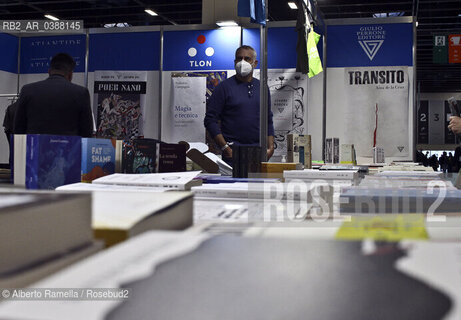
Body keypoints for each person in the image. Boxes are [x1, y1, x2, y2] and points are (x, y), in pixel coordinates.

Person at [204, 45, 275, 165]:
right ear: (234, 62)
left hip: (258, 152)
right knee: (233, 184)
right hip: (233, 153)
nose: (242, 62)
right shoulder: (223, 87)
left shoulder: (262, 87)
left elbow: (268, 119)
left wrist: (271, 147)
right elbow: (210, 120)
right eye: (239, 58)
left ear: (255, 63)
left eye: (247, 59)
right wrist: (225, 148)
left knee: (257, 183)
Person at [14, 53, 93, 137]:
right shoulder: (81, 93)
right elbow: (86, 131)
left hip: (35, 147)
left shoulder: (27, 90)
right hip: (68, 148)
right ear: (70, 74)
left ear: (49, 72)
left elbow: (18, 128)